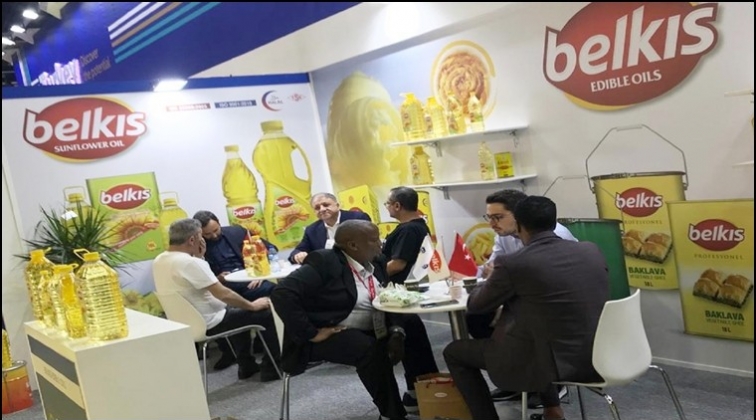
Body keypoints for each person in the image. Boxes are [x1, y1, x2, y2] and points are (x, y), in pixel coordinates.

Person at [443, 196, 609, 420]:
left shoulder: (514, 263)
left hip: (547, 360)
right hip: (598, 354)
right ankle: (552, 409)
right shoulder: (591, 250)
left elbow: (476, 304)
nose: (493, 223)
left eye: (498, 217)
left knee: (454, 351)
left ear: (519, 224)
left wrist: (487, 281)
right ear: (553, 221)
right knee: (531, 330)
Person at [271, 220, 439, 420]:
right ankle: (392, 414)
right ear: (353, 245)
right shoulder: (325, 261)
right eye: (374, 240)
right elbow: (282, 293)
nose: (381, 243)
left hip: (371, 323)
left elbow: (387, 295)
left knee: (411, 324)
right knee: (369, 349)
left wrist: (396, 330)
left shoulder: (377, 261)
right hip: (332, 330)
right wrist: (311, 333)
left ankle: (418, 394)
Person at [470, 189, 576, 406]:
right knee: (477, 318)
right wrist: (470, 272)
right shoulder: (504, 236)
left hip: (559, 309)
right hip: (525, 300)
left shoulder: (556, 236)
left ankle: (552, 384)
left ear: (520, 216)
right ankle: (514, 379)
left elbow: (557, 282)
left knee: (524, 324)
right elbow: (491, 268)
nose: (492, 224)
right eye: (489, 217)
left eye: (498, 217)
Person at [152, 218, 282, 382]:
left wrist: (199, 257)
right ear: (192, 240)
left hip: (191, 324)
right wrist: (252, 306)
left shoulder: (160, 260)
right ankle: (272, 369)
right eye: (202, 236)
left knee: (237, 311)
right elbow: (223, 294)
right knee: (266, 312)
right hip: (213, 321)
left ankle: (246, 365)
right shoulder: (188, 262)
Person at [288, 192, 371, 264]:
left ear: (337, 205)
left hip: (361, 265)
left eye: (326, 205)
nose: (322, 209)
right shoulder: (311, 230)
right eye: (317, 208)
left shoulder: (357, 218)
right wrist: (298, 255)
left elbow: (371, 244)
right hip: (331, 271)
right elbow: (297, 251)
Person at [382, 186, 430, 285]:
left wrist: (375, 276)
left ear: (397, 206)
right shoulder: (420, 226)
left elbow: (397, 265)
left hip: (402, 286)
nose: (386, 207)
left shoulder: (408, 230)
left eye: (387, 203)